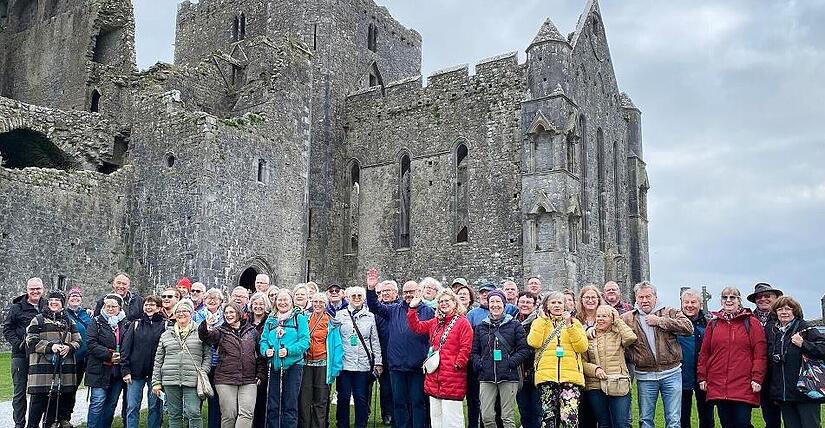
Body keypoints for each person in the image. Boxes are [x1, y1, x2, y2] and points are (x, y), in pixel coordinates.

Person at [367, 270, 434, 428]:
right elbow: (374, 306)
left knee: (417, 402)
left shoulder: (428, 311)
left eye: (412, 291)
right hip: (396, 366)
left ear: (418, 292)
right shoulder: (394, 310)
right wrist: (370, 289)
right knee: (399, 403)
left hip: (418, 366)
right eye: (406, 292)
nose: (409, 294)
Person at [621, 281, 693, 428]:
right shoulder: (628, 318)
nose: (644, 300)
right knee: (646, 420)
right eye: (641, 297)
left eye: (648, 296)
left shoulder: (669, 312)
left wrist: (660, 321)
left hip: (671, 373)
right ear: (636, 298)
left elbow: (688, 328)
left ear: (655, 296)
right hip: (645, 375)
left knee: (673, 420)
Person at [697, 286, 766, 427]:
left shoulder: (751, 323)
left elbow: (759, 353)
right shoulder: (713, 323)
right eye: (725, 297)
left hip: (743, 382)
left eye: (732, 297)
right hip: (718, 382)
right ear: (721, 301)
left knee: (742, 422)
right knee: (726, 423)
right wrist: (702, 376)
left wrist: (757, 377)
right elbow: (705, 353)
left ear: (739, 300)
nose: (728, 300)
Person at [407, 288, 473, 428]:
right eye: (441, 301)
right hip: (434, 375)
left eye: (446, 301)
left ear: (454, 303)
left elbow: (465, 347)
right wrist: (413, 308)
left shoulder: (463, 323)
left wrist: (457, 365)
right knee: (436, 418)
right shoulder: (436, 322)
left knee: (452, 419)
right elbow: (417, 327)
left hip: (452, 376)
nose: (443, 304)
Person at [527, 291, 588, 428]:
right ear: (547, 306)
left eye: (559, 302)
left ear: (565, 305)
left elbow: (582, 347)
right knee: (548, 418)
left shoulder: (575, 323)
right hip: (547, 377)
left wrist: (569, 326)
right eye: (553, 302)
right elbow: (533, 342)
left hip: (570, 377)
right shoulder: (539, 322)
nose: (556, 305)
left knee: (569, 419)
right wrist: (542, 321)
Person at [200, 302, 266, 428]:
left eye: (231, 312)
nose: (228, 315)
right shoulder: (220, 332)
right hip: (225, 379)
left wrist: (260, 373)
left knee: (246, 414)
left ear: (239, 313)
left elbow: (260, 355)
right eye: (226, 313)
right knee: (229, 415)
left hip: (249, 379)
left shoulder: (252, 332)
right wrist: (206, 325)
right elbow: (206, 336)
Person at [471, 290, 531, 428]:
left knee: (507, 416)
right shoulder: (481, 327)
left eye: (498, 301)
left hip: (509, 375)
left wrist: (511, 363)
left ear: (503, 304)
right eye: (492, 301)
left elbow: (524, 350)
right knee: (487, 416)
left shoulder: (515, 325)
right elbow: (474, 351)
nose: (495, 305)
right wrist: (480, 364)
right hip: (486, 376)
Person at [766, 296, 825, 427]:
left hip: (806, 391)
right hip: (785, 394)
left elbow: (823, 348)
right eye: (780, 309)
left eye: (788, 308)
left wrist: (804, 344)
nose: (784, 312)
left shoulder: (805, 328)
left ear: (795, 311)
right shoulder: (775, 332)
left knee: (810, 425)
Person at [24, 290, 81, 428]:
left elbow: (78, 340)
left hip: (61, 371)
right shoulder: (38, 319)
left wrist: (69, 347)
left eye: (57, 300)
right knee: (36, 410)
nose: (54, 302)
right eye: (51, 300)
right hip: (41, 372)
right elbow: (31, 340)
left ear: (62, 303)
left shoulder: (69, 321)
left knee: (51, 414)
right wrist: (51, 347)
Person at [152, 299, 211, 428]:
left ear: (191, 313)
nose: (181, 314)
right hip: (170, 379)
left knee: (193, 412)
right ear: (174, 314)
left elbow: (207, 355)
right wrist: (156, 382)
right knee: (174, 414)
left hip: (192, 379)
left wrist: (203, 371)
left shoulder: (200, 332)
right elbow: (158, 359)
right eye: (178, 311)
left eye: (185, 311)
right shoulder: (166, 334)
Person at [260, 289, 310, 428]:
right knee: (273, 403)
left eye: (285, 300)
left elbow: (305, 341)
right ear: (275, 302)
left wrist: (289, 351)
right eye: (279, 300)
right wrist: (266, 351)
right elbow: (263, 341)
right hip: (274, 366)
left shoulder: (299, 318)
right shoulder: (271, 319)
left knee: (290, 403)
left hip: (293, 365)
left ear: (291, 301)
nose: (282, 302)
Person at [334, 286, 382, 428]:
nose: (356, 298)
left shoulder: (370, 317)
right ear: (348, 298)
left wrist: (378, 362)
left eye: (359, 296)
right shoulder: (340, 315)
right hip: (344, 363)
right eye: (353, 295)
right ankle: (342, 424)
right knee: (343, 397)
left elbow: (375, 341)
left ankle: (361, 425)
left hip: (363, 364)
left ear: (364, 298)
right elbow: (335, 339)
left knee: (361, 398)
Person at [582, 305, 637, 428]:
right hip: (595, 385)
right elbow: (582, 362)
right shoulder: (589, 336)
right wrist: (595, 370)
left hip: (618, 383)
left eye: (604, 316)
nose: (600, 319)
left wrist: (617, 320)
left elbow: (631, 338)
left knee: (621, 424)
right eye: (598, 316)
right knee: (604, 424)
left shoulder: (618, 334)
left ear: (612, 319)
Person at [4, 277, 45, 428]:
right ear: (27, 290)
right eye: (32, 289)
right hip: (20, 355)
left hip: (40, 355)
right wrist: (19, 344)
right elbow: (8, 330)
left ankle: (33, 424)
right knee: (20, 392)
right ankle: (19, 424)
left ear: (42, 289)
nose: (35, 291)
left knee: (38, 392)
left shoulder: (47, 305)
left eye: (38, 289)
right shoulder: (17, 307)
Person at [86, 293, 130, 428]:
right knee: (97, 402)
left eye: (114, 306)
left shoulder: (125, 323)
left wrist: (121, 356)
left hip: (116, 371)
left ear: (120, 308)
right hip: (99, 368)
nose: (110, 309)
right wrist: (109, 354)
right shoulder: (97, 322)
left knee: (111, 403)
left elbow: (129, 344)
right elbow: (91, 343)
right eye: (107, 306)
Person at [121, 295, 166, 428]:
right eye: (146, 304)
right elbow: (125, 348)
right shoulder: (136, 324)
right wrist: (125, 370)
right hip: (135, 373)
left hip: (155, 374)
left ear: (158, 307)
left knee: (155, 408)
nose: (149, 307)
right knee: (132, 407)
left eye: (152, 305)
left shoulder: (164, 325)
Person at [299, 292, 339, 428]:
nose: (317, 305)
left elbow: (337, 345)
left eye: (321, 302)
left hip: (323, 363)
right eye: (315, 302)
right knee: (305, 399)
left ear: (325, 305)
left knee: (320, 400)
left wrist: (335, 367)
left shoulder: (331, 322)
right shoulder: (305, 318)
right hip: (306, 363)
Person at [747, 282, 783, 428]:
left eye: (767, 296)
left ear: (775, 298)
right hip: (752, 373)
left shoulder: (782, 317)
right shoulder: (748, 319)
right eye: (759, 297)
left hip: (777, 374)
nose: (763, 299)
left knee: (775, 417)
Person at [677, 289, 713, 428]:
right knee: (682, 416)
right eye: (686, 302)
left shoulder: (710, 323)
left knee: (706, 417)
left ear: (701, 304)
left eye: (693, 302)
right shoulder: (676, 323)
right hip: (681, 375)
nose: (689, 305)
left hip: (704, 377)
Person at [574, 284, 605, 428]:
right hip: (580, 370)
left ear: (599, 299)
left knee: (604, 417)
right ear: (581, 300)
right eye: (587, 297)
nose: (590, 300)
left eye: (593, 297)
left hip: (602, 370)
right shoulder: (576, 320)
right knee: (584, 416)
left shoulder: (605, 316)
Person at [62, 287, 92, 427]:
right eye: (72, 297)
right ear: (68, 299)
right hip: (70, 357)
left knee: (74, 388)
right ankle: (60, 417)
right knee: (66, 388)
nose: (75, 299)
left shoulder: (87, 314)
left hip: (84, 359)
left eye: (77, 297)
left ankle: (67, 417)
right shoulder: (63, 314)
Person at [374, 279, 399, 426]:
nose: (386, 293)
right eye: (383, 291)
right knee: (385, 388)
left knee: (398, 388)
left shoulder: (400, 308)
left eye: (388, 290)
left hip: (398, 354)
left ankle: (398, 413)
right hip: (382, 353)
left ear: (396, 293)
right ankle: (387, 413)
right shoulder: (378, 311)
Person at [247, 292, 271, 428]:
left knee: (261, 400)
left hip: (263, 364)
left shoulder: (270, 321)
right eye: (255, 303)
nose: (258, 306)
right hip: (247, 364)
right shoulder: (245, 320)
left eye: (261, 304)